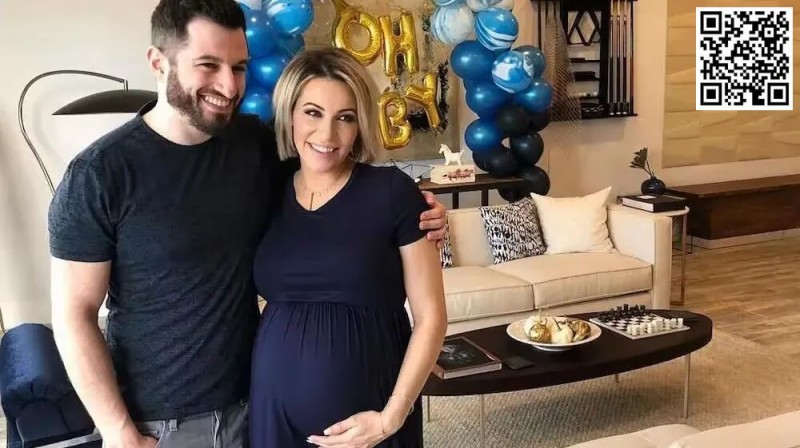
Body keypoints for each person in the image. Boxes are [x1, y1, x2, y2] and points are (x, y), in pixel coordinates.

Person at [46, 1, 447, 447]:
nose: (227, 85)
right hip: (160, 425)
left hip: (249, 404)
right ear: (158, 63)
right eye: (208, 65)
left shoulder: (254, 147)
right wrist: (118, 431)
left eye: (238, 67)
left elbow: (335, 190)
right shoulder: (99, 174)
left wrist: (421, 213)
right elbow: (74, 314)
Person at [248, 47, 448, 448]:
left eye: (345, 117)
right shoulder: (265, 190)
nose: (327, 135)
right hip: (273, 413)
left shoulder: (391, 193)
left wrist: (391, 417)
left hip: (370, 418)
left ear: (361, 125)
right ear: (289, 113)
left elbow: (432, 318)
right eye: (313, 113)